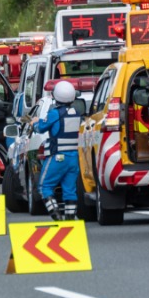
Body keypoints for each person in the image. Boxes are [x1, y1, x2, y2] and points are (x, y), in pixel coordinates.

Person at [33, 81, 82, 221]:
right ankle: (70, 219)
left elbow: (41, 128)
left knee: (44, 186)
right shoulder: (77, 114)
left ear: (56, 95)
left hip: (58, 157)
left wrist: (35, 122)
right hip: (73, 158)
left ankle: (56, 216)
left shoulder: (54, 113)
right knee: (70, 190)